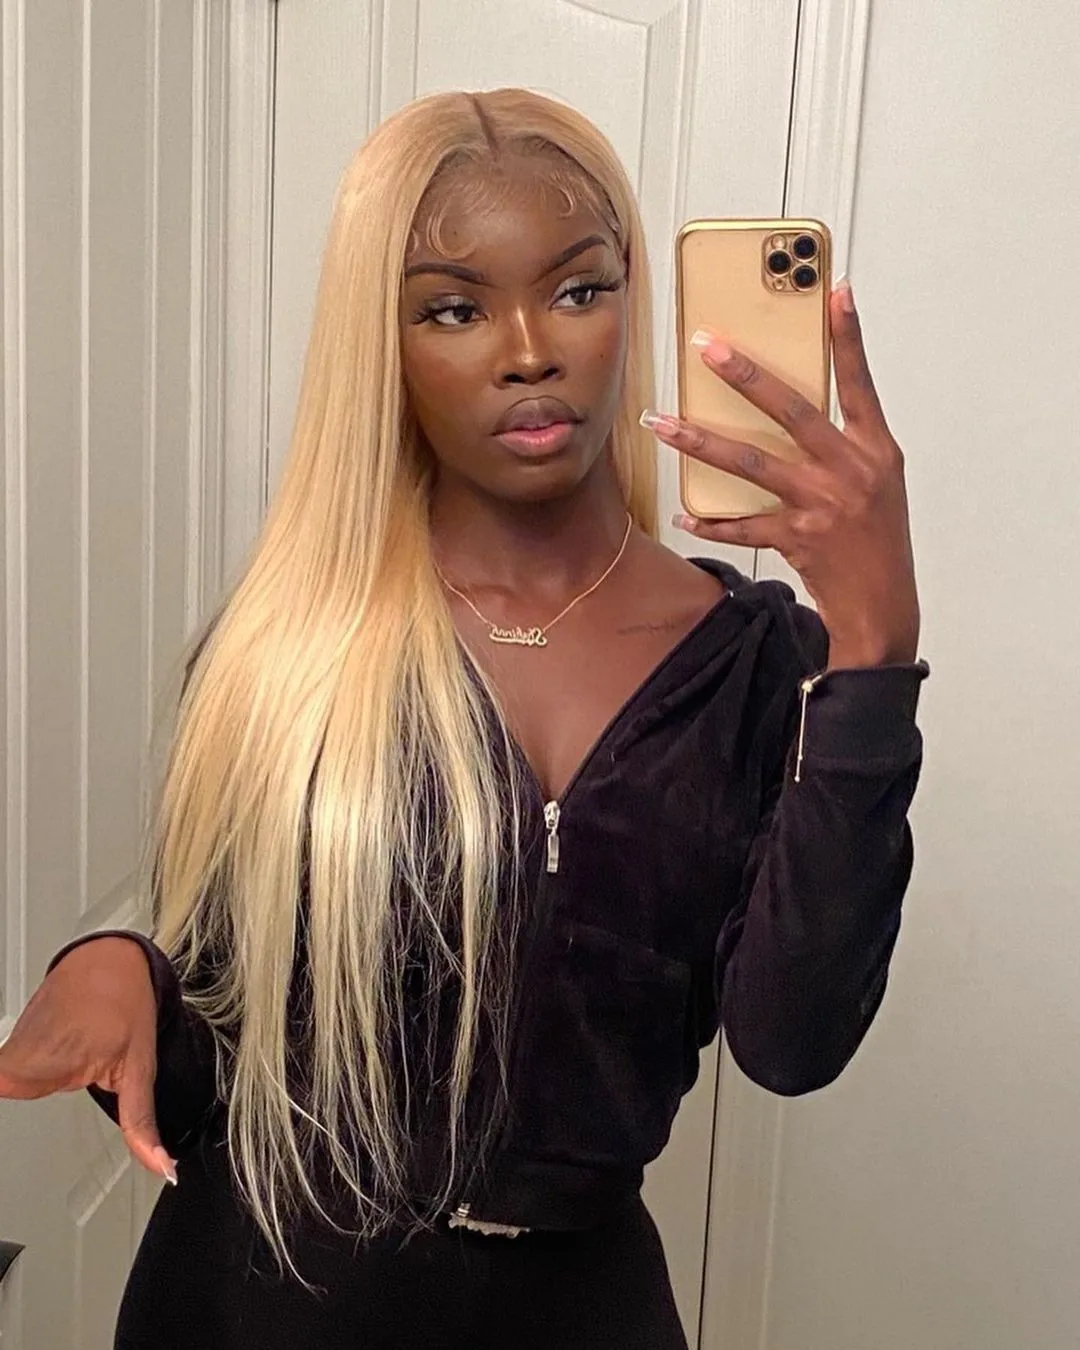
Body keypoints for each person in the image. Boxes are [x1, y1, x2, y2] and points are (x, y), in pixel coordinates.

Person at [0, 88, 927, 1349]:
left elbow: (792, 1038)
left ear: (631, 305)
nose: (528, 350)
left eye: (579, 290)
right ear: (381, 346)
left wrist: (874, 656)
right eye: (453, 308)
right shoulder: (287, 650)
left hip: (581, 1310)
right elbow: (218, 1052)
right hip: (262, 1302)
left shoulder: (766, 665)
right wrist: (121, 966)